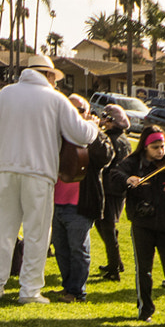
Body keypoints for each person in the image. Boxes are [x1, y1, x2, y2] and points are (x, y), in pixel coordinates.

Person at [0, 53, 98, 304]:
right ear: (47, 75)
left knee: (3, 229)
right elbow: (81, 134)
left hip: (8, 169)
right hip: (38, 172)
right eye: (53, 77)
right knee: (37, 233)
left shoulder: (7, 93)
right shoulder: (55, 99)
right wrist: (94, 125)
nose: (55, 82)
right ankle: (30, 290)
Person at [114, 124, 165, 327]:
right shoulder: (133, 163)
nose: (160, 151)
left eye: (162, 146)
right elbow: (115, 175)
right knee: (144, 270)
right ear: (146, 147)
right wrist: (127, 179)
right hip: (143, 224)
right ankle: (145, 309)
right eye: (155, 147)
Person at [50, 93, 112, 302]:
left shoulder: (96, 135)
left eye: (80, 110)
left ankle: (77, 292)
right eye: (71, 110)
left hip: (80, 204)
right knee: (61, 248)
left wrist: (91, 131)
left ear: (88, 113)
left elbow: (105, 157)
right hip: (56, 201)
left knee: (78, 249)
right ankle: (68, 287)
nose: (75, 115)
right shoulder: (58, 132)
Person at [92, 105, 132, 282]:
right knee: (106, 226)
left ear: (113, 120)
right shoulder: (124, 139)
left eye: (106, 118)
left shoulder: (112, 139)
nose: (103, 121)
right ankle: (116, 262)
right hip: (118, 189)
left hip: (110, 188)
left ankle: (114, 268)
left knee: (106, 227)